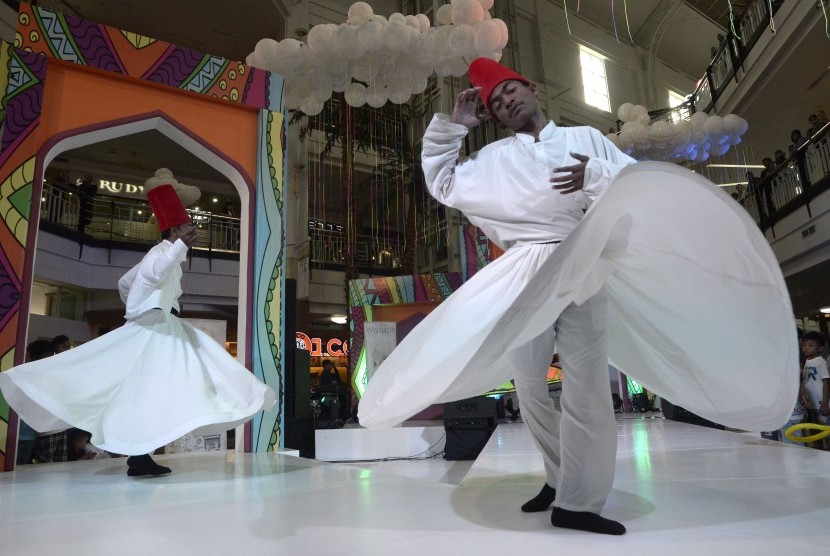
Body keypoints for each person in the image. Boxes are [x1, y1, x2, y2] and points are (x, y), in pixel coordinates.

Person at [358, 58, 798, 536]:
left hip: (583, 261)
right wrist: (453, 129)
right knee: (529, 386)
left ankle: (579, 502)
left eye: (511, 90)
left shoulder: (585, 139)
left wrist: (597, 175)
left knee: (587, 387)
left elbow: (634, 186)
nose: (507, 102)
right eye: (497, 102)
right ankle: (558, 476)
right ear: (494, 115)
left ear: (531, 88)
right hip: (526, 272)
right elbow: (442, 183)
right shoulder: (493, 159)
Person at [0, 176, 275, 477]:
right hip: (154, 328)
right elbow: (150, 274)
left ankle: (140, 454)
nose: (189, 233)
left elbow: (126, 282)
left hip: (159, 325)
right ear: (174, 231)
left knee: (161, 383)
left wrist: (137, 304)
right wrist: (168, 263)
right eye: (184, 229)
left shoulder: (168, 257)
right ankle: (141, 452)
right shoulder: (160, 254)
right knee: (172, 376)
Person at [800, 331, 829, 448]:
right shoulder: (807, 361)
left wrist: (826, 403)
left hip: (820, 402)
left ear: (820, 348)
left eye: (810, 345)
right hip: (811, 403)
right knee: (814, 429)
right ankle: (818, 451)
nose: (806, 348)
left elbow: (826, 382)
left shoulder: (821, 361)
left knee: (825, 429)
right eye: (804, 345)